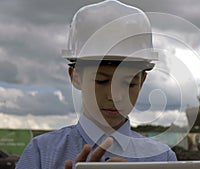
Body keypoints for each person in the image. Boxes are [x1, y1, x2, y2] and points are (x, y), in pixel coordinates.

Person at [16, 0, 177, 169]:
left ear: (142, 81)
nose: (114, 96)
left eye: (129, 83)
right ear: (75, 76)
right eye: (101, 81)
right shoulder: (40, 154)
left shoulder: (162, 159)